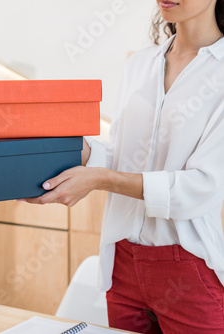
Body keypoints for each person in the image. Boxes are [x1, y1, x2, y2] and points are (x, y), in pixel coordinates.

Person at [26, 0, 224, 333]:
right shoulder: (141, 63)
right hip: (122, 262)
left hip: (188, 266)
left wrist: (99, 178)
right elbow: (122, 154)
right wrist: (82, 152)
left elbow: (202, 187)